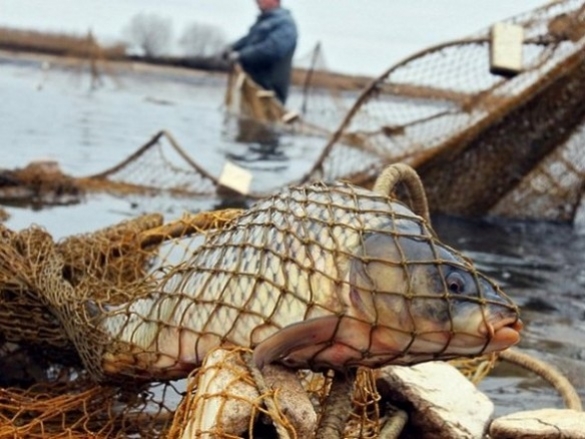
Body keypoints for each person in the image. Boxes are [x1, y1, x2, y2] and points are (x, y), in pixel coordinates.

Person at [225, 0, 297, 104]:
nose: (258, 1)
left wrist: (240, 55)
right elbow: (247, 40)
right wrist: (231, 48)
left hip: (270, 90)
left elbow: (272, 49)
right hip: (253, 86)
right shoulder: (262, 23)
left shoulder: (285, 24)